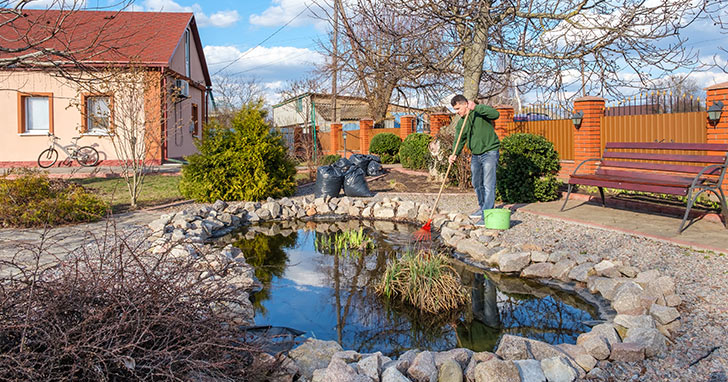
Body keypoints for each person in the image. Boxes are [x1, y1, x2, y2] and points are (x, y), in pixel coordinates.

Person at [448, 95, 500, 224]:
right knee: (477, 183)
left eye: (458, 108)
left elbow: (495, 114)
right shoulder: (461, 122)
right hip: (476, 155)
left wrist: (476, 107)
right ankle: (483, 208)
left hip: (490, 152)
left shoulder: (480, 112)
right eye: (455, 109)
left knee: (488, 184)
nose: (457, 112)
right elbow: (459, 140)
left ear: (466, 104)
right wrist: (454, 153)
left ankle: (487, 215)